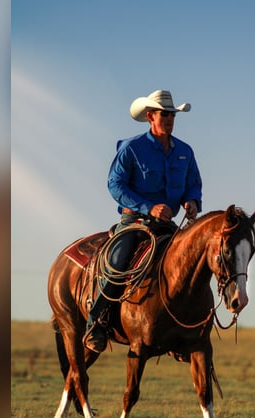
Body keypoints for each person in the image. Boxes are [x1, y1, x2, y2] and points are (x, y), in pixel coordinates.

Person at [83, 89, 203, 352]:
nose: (170, 119)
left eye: (172, 115)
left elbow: (193, 184)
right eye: (164, 114)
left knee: (190, 264)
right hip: (135, 222)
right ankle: (96, 322)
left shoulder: (185, 151)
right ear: (150, 116)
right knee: (118, 262)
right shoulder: (132, 148)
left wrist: (192, 201)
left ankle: (182, 329)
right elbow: (115, 185)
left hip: (168, 225)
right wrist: (149, 207)